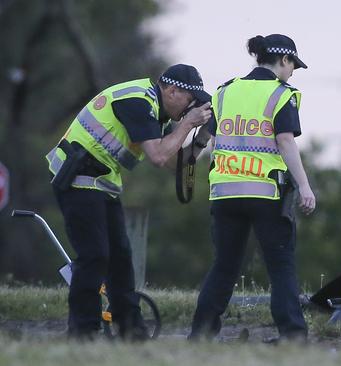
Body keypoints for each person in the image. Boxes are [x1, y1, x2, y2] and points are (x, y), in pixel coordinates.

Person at [46, 64, 213, 340]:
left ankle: (132, 333)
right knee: (95, 255)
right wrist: (187, 124)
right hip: (77, 177)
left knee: (121, 259)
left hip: (100, 182)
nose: (191, 107)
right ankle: (82, 332)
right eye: (190, 100)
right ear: (172, 91)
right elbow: (159, 157)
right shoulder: (138, 101)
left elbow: (174, 164)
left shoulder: (155, 112)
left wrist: (203, 136)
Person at [188, 34, 316, 342]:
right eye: (293, 65)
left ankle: (200, 335)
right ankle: (293, 335)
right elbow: (285, 141)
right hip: (266, 193)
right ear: (283, 61)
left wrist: (189, 156)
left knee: (224, 266)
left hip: (225, 193)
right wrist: (305, 186)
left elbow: (207, 134)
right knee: (281, 265)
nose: (292, 72)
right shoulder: (282, 94)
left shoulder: (225, 92)